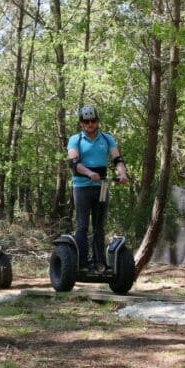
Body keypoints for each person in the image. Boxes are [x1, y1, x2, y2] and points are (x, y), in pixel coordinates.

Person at [67, 105, 129, 271]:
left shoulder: (107, 138)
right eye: (86, 121)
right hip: (82, 186)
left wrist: (122, 174)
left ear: (97, 121)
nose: (90, 124)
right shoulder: (75, 140)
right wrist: (88, 173)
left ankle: (99, 261)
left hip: (101, 186)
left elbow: (117, 159)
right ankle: (82, 263)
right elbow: (73, 163)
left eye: (93, 121)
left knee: (99, 225)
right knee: (82, 225)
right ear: (81, 123)